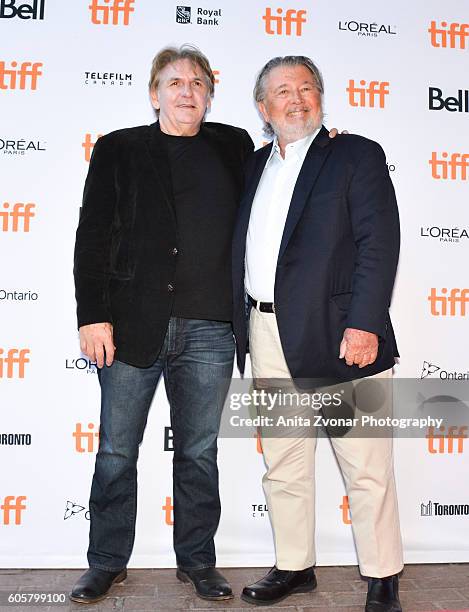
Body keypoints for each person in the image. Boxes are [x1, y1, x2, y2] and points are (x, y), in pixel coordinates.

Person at [70, 44, 254, 604]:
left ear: (209, 94)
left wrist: (326, 146)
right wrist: (92, 315)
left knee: (199, 452)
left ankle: (198, 562)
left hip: (210, 328)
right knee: (116, 452)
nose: (187, 91)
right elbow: (93, 235)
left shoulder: (234, 146)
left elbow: (286, 179)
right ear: (155, 94)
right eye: (175, 82)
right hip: (131, 327)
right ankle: (106, 562)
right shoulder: (119, 149)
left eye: (198, 82)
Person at [232, 55, 403, 612]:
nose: (296, 99)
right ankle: (294, 566)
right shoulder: (254, 167)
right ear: (264, 107)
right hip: (263, 330)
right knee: (284, 462)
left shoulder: (355, 154)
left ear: (321, 97)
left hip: (338, 335)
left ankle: (382, 580)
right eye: (282, 91)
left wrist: (365, 322)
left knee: (365, 465)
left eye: (307, 88)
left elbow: (380, 243)